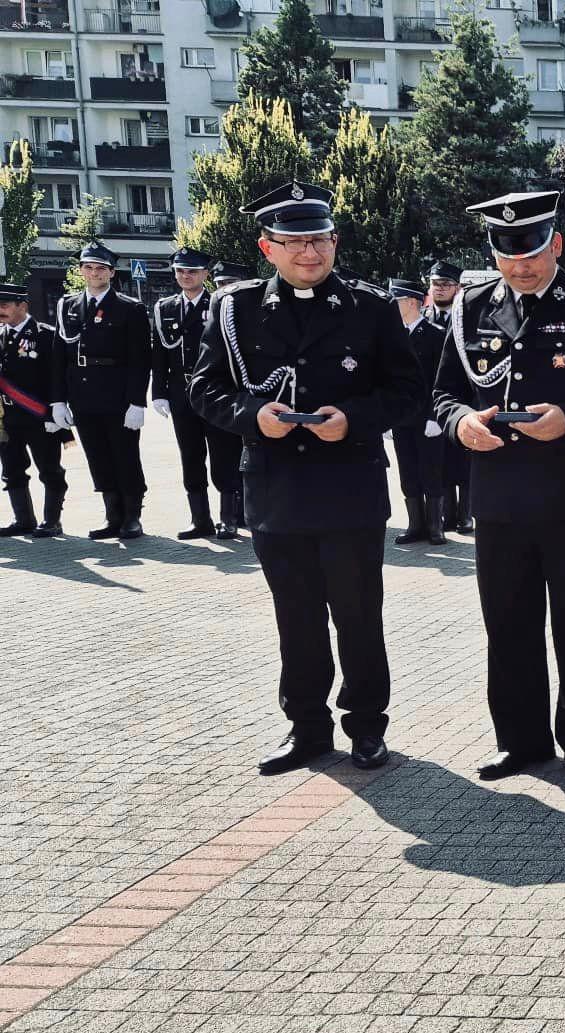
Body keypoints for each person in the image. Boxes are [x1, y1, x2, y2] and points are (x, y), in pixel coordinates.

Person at [187, 180, 425, 774]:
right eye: (293, 242)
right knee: (296, 618)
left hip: (349, 487)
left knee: (358, 616)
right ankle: (307, 728)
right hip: (277, 489)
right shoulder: (236, 309)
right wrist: (251, 415)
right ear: (267, 248)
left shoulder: (370, 308)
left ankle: (366, 727)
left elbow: (407, 391)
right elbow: (204, 387)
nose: (309, 252)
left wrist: (353, 420)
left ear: (335, 242)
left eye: (319, 239)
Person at [434, 191, 565, 782]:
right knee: (508, 624)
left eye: (530, 250)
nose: (520, 264)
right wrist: (461, 423)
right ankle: (521, 741)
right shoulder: (471, 306)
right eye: (507, 252)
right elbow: (444, 393)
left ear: (556, 245)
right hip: (498, 496)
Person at [51, 242, 151, 539]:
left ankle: (132, 517)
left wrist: (137, 402)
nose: (94, 273)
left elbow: (140, 359)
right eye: (89, 267)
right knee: (98, 457)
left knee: (125, 456)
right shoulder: (67, 306)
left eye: (101, 268)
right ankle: (112, 516)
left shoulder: (130, 308)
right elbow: (59, 356)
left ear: (111, 273)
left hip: (118, 395)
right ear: (81, 271)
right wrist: (58, 400)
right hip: (82, 395)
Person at [147, 248, 241, 540]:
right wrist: (159, 392)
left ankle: (229, 519)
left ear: (205, 274)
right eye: (180, 271)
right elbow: (159, 354)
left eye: (192, 271)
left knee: (224, 454)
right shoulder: (165, 307)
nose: (186, 276)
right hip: (181, 392)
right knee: (190, 456)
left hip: (216, 391)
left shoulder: (220, 304)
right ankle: (200, 519)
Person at [0, 283, 67, 538]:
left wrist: (57, 409)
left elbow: (58, 376)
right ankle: (24, 520)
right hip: (7, 418)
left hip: (39, 417)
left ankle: (52, 521)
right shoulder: (1, 335)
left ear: (23, 306)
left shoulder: (45, 335)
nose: (0, 311)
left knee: (49, 469)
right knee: (12, 470)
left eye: (5, 305)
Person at [387, 279, 448, 546]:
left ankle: (435, 526)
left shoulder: (435, 335)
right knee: (408, 471)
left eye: (397, 301)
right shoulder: (394, 335)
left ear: (412, 302)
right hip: (403, 417)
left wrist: (436, 416)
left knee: (431, 470)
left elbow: (441, 380)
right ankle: (416, 525)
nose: (393, 306)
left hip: (427, 417)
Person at [427, 259, 474, 535]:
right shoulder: (422, 318)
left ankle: (466, 515)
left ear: (457, 288)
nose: (440, 288)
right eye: (436, 284)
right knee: (439, 463)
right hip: (432, 404)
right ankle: (447, 514)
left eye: (446, 284)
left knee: (464, 461)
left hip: (462, 401)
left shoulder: (467, 317)